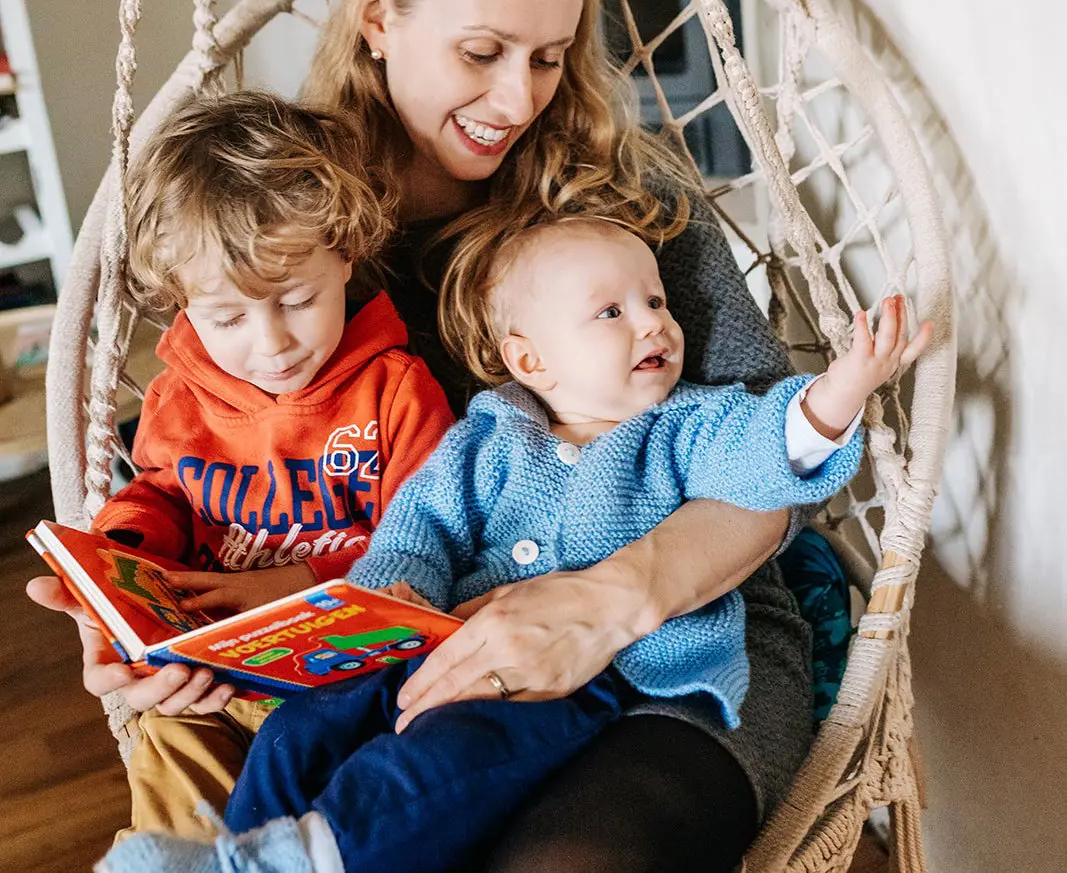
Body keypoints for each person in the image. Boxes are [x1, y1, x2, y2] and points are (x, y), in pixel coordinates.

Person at [37, 0, 930, 872]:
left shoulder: (626, 208)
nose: (517, 97)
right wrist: (158, 620)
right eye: (481, 51)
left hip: (675, 640)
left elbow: (765, 466)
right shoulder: (288, 232)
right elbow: (231, 467)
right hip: (403, 646)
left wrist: (606, 602)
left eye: (548, 57)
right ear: (377, 18)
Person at [95, 215, 929, 873]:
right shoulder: (486, 435)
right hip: (437, 646)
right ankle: (241, 851)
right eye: (612, 312)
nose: (653, 323)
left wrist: (837, 392)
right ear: (528, 357)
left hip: (593, 673)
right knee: (299, 729)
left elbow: (766, 454)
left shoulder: (686, 427)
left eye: (656, 303)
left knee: (449, 754)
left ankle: (305, 856)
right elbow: (422, 527)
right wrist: (391, 602)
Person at [33, 90, 454, 843]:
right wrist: (121, 559)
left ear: (344, 253)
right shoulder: (181, 395)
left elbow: (430, 542)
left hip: (343, 682)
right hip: (215, 675)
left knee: (367, 783)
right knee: (171, 746)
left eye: (298, 299)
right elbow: (161, 492)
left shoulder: (395, 390)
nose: (272, 344)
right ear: (180, 302)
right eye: (227, 317)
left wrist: (294, 583)